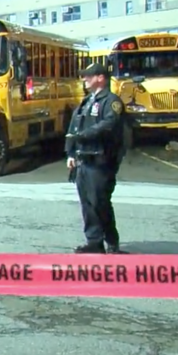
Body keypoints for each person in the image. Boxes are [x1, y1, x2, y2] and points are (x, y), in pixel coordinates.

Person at [66, 62, 127, 254]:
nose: (84, 79)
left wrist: (84, 136)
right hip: (84, 159)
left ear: (100, 78)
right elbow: (73, 128)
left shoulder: (112, 101)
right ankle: (94, 241)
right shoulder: (86, 102)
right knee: (87, 203)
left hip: (101, 160)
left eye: (88, 76)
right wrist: (70, 153)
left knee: (100, 201)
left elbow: (108, 124)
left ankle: (112, 242)